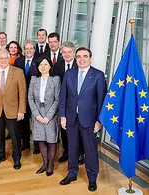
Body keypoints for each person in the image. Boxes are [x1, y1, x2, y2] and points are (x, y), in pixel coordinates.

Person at [58, 47, 107, 192]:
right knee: (72, 148)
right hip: (71, 118)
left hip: (90, 120)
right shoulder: (69, 74)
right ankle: (72, 173)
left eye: (85, 56)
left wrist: (99, 121)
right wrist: (63, 115)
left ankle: (92, 178)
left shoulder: (98, 75)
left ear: (90, 58)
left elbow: (101, 100)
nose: (81, 59)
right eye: (78, 56)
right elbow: (63, 97)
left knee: (90, 150)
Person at [0, 49, 26, 170]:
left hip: (13, 109)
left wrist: (21, 110)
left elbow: (23, 93)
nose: (3, 60)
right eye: (0, 58)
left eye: (5, 58)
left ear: (9, 59)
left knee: (14, 135)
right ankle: (0, 154)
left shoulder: (18, 72)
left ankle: (17, 157)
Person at [28, 55, 61, 177]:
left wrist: (48, 116)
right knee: (40, 139)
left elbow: (57, 99)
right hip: (38, 113)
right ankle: (44, 163)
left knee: (51, 140)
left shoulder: (56, 79)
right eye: (40, 64)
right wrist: (37, 115)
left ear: (50, 66)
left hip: (50, 114)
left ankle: (51, 164)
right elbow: (30, 98)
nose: (43, 67)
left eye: (45, 64)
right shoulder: (34, 79)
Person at [53, 41, 81, 163]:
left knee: (78, 130)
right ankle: (66, 152)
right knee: (64, 129)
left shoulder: (79, 65)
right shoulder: (57, 66)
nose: (67, 54)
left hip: (77, 104)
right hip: (62, 102)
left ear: (74, 53)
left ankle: (79, 153)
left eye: (69, 52)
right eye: (64, 52)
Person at [13, 40, 39, 153]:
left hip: (35, 97)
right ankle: (26, 143)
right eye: (26, 49)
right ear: (24, 50)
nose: (28, 51)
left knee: (35, 121)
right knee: (23, 121)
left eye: (31, 48)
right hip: (21, 96)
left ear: (34, 49)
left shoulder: (39, 61)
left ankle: (37, 145)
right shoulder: (18, 61)